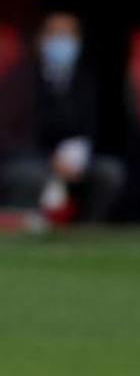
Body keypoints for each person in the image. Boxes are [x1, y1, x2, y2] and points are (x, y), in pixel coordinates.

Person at [0, 12, 124, 221]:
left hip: (73, 161)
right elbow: (7, 135)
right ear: (40, 39)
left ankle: (86, 232)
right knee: (30, 176)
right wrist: (50, 160)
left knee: (109, 172)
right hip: (30, 158)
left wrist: (78, 155)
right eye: (55, 34)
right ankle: (29, 228)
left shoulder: (85, 81)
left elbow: (92, 128)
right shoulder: (20, 78)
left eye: (68, 35)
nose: (62, 42)